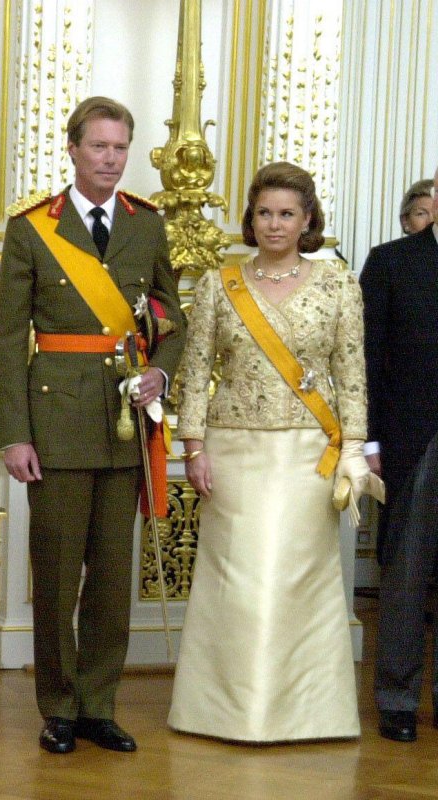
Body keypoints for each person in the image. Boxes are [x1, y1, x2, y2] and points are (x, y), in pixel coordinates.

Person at [0, 96, 185, 755]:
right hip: (56, 419)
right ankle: (59, 706)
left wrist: (159, 371)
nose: (110, 159)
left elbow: (172, 321)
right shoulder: (32, 228)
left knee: (110, 576)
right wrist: (14, 435)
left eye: (119, 148)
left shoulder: (147, 225)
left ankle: (100, 704)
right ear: (72, 149)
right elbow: (8, 339)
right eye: (98, 146)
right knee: (55, 570)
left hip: (125, 417)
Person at [169, 162, 372, 742]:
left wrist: (354, 448)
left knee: (297, 582)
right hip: (234, 453)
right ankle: (219, 712)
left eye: (287, 213)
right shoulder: (219, 284)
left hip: (311, 452)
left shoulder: (338, 284)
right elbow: (197, 369)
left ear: (307, 219)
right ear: (250, 219)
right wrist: (194, 446)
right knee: (237, 583)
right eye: (264, 213)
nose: (274, 224)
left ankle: (310, 714)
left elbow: (350, 371)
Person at [362, 166, 438, 743]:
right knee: (407, 570)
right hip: (413, 440)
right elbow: (367, 360)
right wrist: (370, 441)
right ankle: (397, 698)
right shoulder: (392, 261)